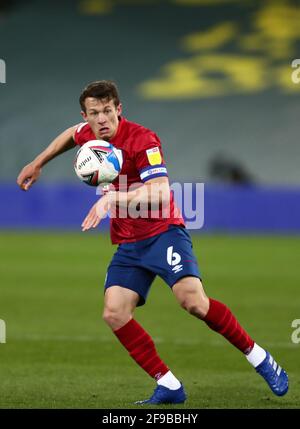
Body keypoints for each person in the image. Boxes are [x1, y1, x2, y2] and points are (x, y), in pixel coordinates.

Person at [17, 80, 288, 405]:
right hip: (129, 244)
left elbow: (160, 190)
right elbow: (69, 135)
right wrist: (38, 162)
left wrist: (112, 200)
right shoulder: (89, 135)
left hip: (163, 232)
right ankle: (169, 385)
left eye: (107, 111)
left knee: (193, 302)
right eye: (94, 113)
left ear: (119, 109)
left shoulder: (142, 140)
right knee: (114, 312)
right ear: (85, 115)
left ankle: (259, 357)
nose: (102, 119)